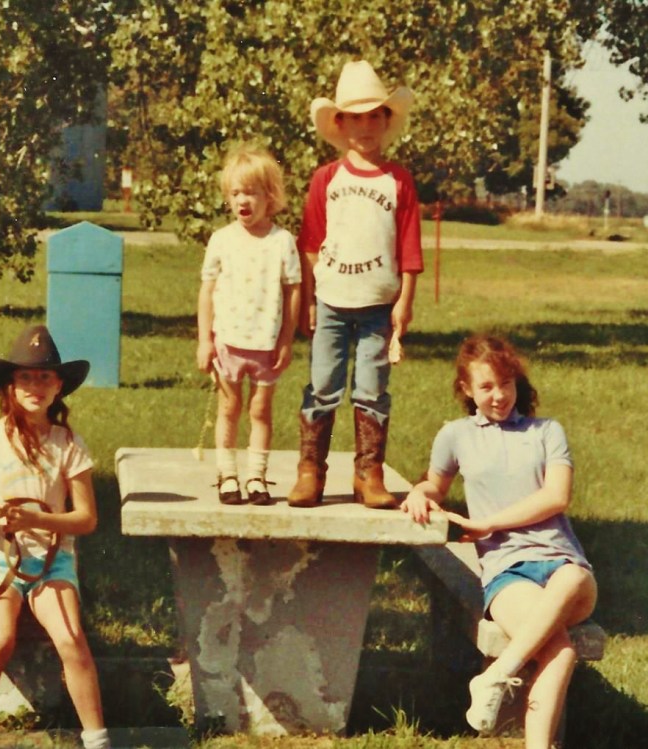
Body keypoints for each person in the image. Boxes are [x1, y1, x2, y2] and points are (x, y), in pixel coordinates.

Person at [402, 334, 597, 747]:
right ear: (466, 388)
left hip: (563, 565)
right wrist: (420, 492)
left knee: (574, 576)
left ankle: (496, 674)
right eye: (486, 386)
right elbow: (436, 483)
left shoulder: (547, 431)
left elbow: (557, 497)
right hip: (508, 572)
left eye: (506, 384)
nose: (499, 396)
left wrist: (487, 523)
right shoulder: (455, 435)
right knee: (559, 651)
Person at [0, 324, 109, 749]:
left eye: (44, 378)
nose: (35, 387)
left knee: (71, 639)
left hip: (53, 562)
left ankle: (97, 739)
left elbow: (86, 519)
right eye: (25, 378)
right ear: (10, 385)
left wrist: (36, 520)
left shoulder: (68, 444)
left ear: (59, 387)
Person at [290, 59, 423, 509]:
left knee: (372, 388)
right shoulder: (326, 180)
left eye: (374, 116)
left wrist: (404, 302)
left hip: (378, 306)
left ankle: (369, 473)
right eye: (355, 118)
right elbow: (311, 243)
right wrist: (310, 300)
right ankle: (311, 470)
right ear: (340, 124)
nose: (365, 127)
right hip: (331, 301)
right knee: (323, 385)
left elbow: (409, 248)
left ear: (386, 121)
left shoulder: (398, 181)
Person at [196, 145, 301, 505]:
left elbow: (293, 292)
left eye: (251, 192)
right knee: (229, 409)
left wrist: (286, 340)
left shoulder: (282, 242)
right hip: (228, 342)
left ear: (269, 196)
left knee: (259, 410)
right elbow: (207, 291)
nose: (243, 200)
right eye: (235, 192)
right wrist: (204, 340)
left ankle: (256, 476)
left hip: (265, 345)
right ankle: (228, 475)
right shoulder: (222, 240)